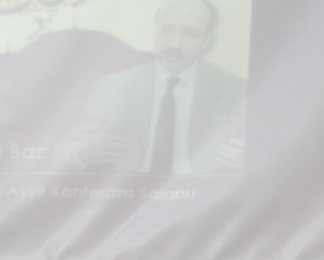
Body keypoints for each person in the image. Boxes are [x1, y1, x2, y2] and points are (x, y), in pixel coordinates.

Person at [66, 0, 246, 174]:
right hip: (130, 191)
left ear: (207, 41)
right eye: (167, 30)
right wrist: (86, 153)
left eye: (189, 33)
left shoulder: (236, 91)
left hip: (203, 191)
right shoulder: (112, 86)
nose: (174, 44)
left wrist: (247, 160)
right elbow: (63, 152)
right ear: (155, 30)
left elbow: (257, 154)